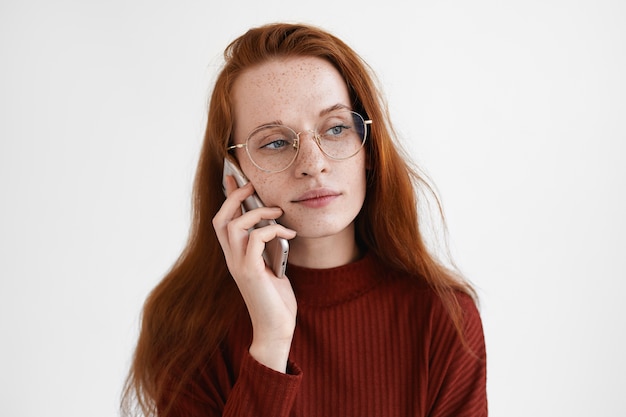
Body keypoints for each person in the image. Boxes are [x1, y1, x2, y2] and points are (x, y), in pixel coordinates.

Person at [122, 22, 487, 417]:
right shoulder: (187, 325)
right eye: (276, 142)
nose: (314, 165)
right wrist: (271, 343)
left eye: (335, 129)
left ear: (368, 149)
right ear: (235, 175)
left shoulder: (442, 318)